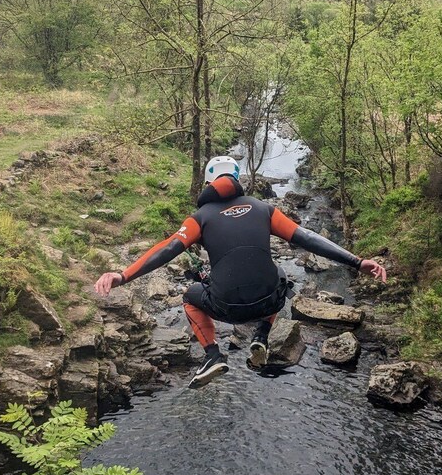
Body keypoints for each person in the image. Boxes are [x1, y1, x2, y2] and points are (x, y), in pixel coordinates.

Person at [95, 156, 387, 389]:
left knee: (188, 296)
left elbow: (167, 250)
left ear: (209, 182)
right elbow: (307, 238)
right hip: (269, 302)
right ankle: (261, 334)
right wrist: (357, 261)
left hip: (226, 308)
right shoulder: (263, 209)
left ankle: (213, 356)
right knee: (282, 278)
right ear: (237, 179)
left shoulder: (200, 218)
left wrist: (123, 275)